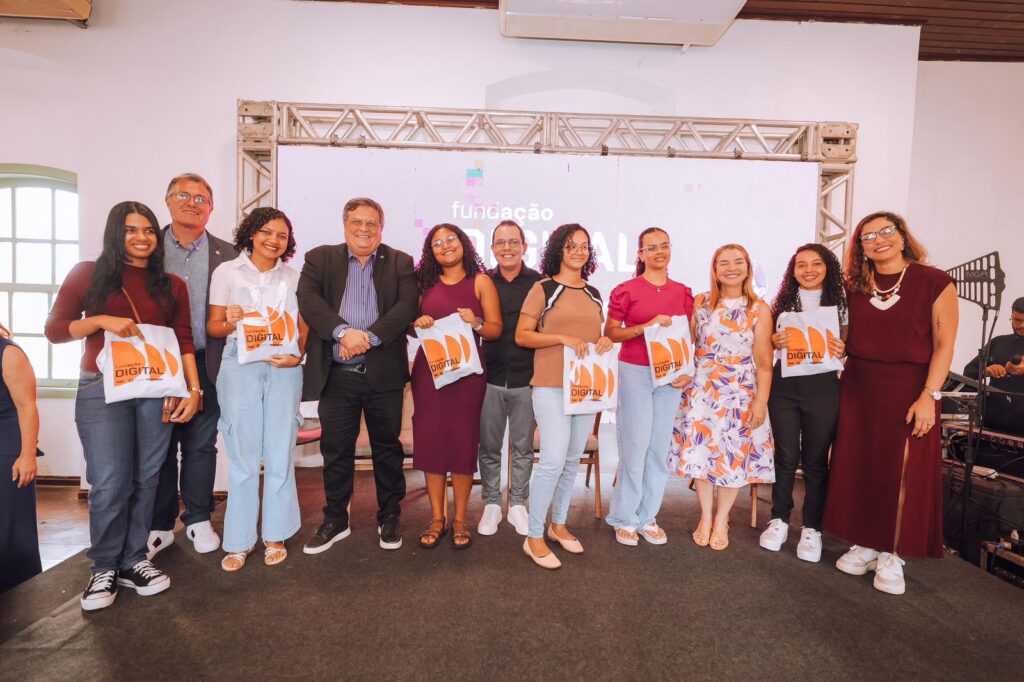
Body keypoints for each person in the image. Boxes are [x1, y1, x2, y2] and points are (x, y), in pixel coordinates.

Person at [45, 201, 201, 611]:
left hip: (156, 387)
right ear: (116, 233)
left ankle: (133, 559)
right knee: (110, 481)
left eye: (148, 230)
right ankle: (104, 566)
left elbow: (183, 339)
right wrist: (100, 321)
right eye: (131, 230)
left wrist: (193, 389)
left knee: (147, 477)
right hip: (101, 388)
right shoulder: (88, 274)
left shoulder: (172, 285)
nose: (141, 237)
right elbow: (55, 330)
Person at [823, 211, 958, 595]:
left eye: (886, 231)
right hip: (859, 387)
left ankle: (892, 552)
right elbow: (846, 339)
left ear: (902, 236)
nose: (878, 240)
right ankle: (866, 542)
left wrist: (930, 396)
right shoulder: (853, 287)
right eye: (868, 237)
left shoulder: (935, 281)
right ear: (860, 248)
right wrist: (834, 346)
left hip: (911, 389)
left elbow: (944, 345)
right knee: (860, 466)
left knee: (903, 472)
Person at [297, 197, 418, 553]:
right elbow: (309, 300)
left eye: (371, 223)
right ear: (345, 224)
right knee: (336, 450)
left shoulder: (400, 261)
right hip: (336, 374)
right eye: (357, 222)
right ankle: (336, 518)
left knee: (387, 449)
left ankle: (389, 515)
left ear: (381, 227)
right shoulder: (319, 258)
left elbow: (406, 307)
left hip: (384, 374)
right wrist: (342, 333)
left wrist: (366, 338)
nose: (364, 228)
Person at [207, 208, 308, 571]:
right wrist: (229, 321)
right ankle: (239, 541)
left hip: (284, 366)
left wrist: (297, 357)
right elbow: (214, 327)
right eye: (266, 232)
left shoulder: (294, 277)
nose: (273, 240)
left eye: (281, 235)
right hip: (240, 363)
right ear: (251, 233)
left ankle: (276, 534)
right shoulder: (227, 272)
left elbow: (303, 326)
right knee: (243, 456)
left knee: (280, 452)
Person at [150, 173, 238, 558]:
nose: (192, 203)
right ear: (168, 201)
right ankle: (159, 524)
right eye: (183, 196)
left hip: (208, 362)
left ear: (211, 207)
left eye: (201, 198)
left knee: (201, 444)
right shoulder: (146, 249)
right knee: (160, 445)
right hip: (157, 365)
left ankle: (199, 518)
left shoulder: (230, 255)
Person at [516, 224, 612, 569]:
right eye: (571, 246)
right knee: (553, 461)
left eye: (584, 246)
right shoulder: (544, 288)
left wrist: (604, 341)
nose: (578, 251)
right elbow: (522, 335)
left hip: (585, 389)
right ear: (559, 249)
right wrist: (561, 338)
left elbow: (594, 339)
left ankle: (558, 525)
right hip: (551, 386)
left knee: (572, 459)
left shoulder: (594, 293)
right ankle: (533, 536)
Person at [670, 243, 775, 552]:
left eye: (738, 262)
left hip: (739, 393)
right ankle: (705, 517)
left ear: (748, 268)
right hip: (702, 390)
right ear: (715, 270)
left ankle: (722, 519)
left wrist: (760, 402)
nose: (731, 268)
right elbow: (685, 344)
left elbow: (765, 364)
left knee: (732, 457)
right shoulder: (701, 302)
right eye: (724, 263)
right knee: (701, 455)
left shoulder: (759, 309)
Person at [411, 224, 501, 550]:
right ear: (430, 251)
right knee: (432, 443)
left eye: (451, 239)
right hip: (430, 375)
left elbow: (495, 329)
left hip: (467, 376)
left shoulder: (481, 281)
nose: (445, 245)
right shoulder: (423, 283)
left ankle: (461, 518)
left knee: (463, 444)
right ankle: (438, 518)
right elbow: (408, 325)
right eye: (437, 243)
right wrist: (417, 323)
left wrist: (476, 322)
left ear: (463, 243)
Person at [604, 228, 694, 546]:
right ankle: (624, 517)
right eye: (651, 247)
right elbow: (611, 333)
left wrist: (687, 371)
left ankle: (647, 517)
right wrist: (644, 327)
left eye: (664, 246)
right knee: (635, 448)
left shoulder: (682, 292)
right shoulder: (626, 290)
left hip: (670, 375)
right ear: (640, 254)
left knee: (658, 450)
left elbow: (687, 336)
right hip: (635, 372)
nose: (659, 252)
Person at [758, 244, 847, 563]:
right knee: (785, 456)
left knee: (815, 460)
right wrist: (773, 340)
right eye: (801, 265)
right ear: (792, 271)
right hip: (785, 384)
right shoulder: (782, 300)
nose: (808, 270)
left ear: (828, 267)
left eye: (816, 264)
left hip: (823, 385)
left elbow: (849, 342)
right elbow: (766, 340)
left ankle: (812, 527)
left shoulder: (840, 302)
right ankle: (779, 519)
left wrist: (843, 347)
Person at [477, 220, 541, 536]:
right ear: (492, 248)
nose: (507, 248)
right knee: (489, 447)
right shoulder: (482, 282)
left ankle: (517, 504)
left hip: (527, 377)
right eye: (500, 242)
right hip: (488, 376)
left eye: (513, 242)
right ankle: (491, 503)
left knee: (523, 447)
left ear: (524, 246)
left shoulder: (540, 283)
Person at [0, 323, 42, 592]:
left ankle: (22, 598)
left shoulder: (8, 353)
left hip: (6, 451)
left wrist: (28, 455)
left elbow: (27, 406)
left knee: (11, 531)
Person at [963, 296, 1024, 434]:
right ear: (1011, 316)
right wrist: (987, 371)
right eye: (1017, 320)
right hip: (991, 423)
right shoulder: (998, 342)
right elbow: (968, 371)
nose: (1021, 325)